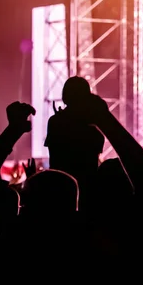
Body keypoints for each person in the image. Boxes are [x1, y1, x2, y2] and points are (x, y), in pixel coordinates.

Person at [45, 76, 104, 206]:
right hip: (89, 190)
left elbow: (54, 158)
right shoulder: (94, 125)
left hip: (60, 189)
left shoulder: (56, 122)